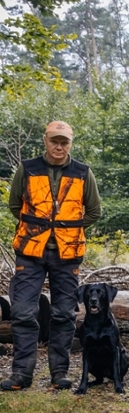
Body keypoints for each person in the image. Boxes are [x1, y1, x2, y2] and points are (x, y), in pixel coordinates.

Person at [3, 121, 101, 392]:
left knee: (63, 314)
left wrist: (65, 231)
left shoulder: (83, 172)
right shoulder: (28, 168)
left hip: (67, 255)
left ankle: (60, 373)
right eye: (54, 141)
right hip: (30, 253)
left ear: (70, 143)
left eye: (64, 142)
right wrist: (39, 229)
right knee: (22, 312)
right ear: (45, 140)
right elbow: (15, 205)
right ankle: (22, 373)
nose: (59, 146)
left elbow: (93, 212)